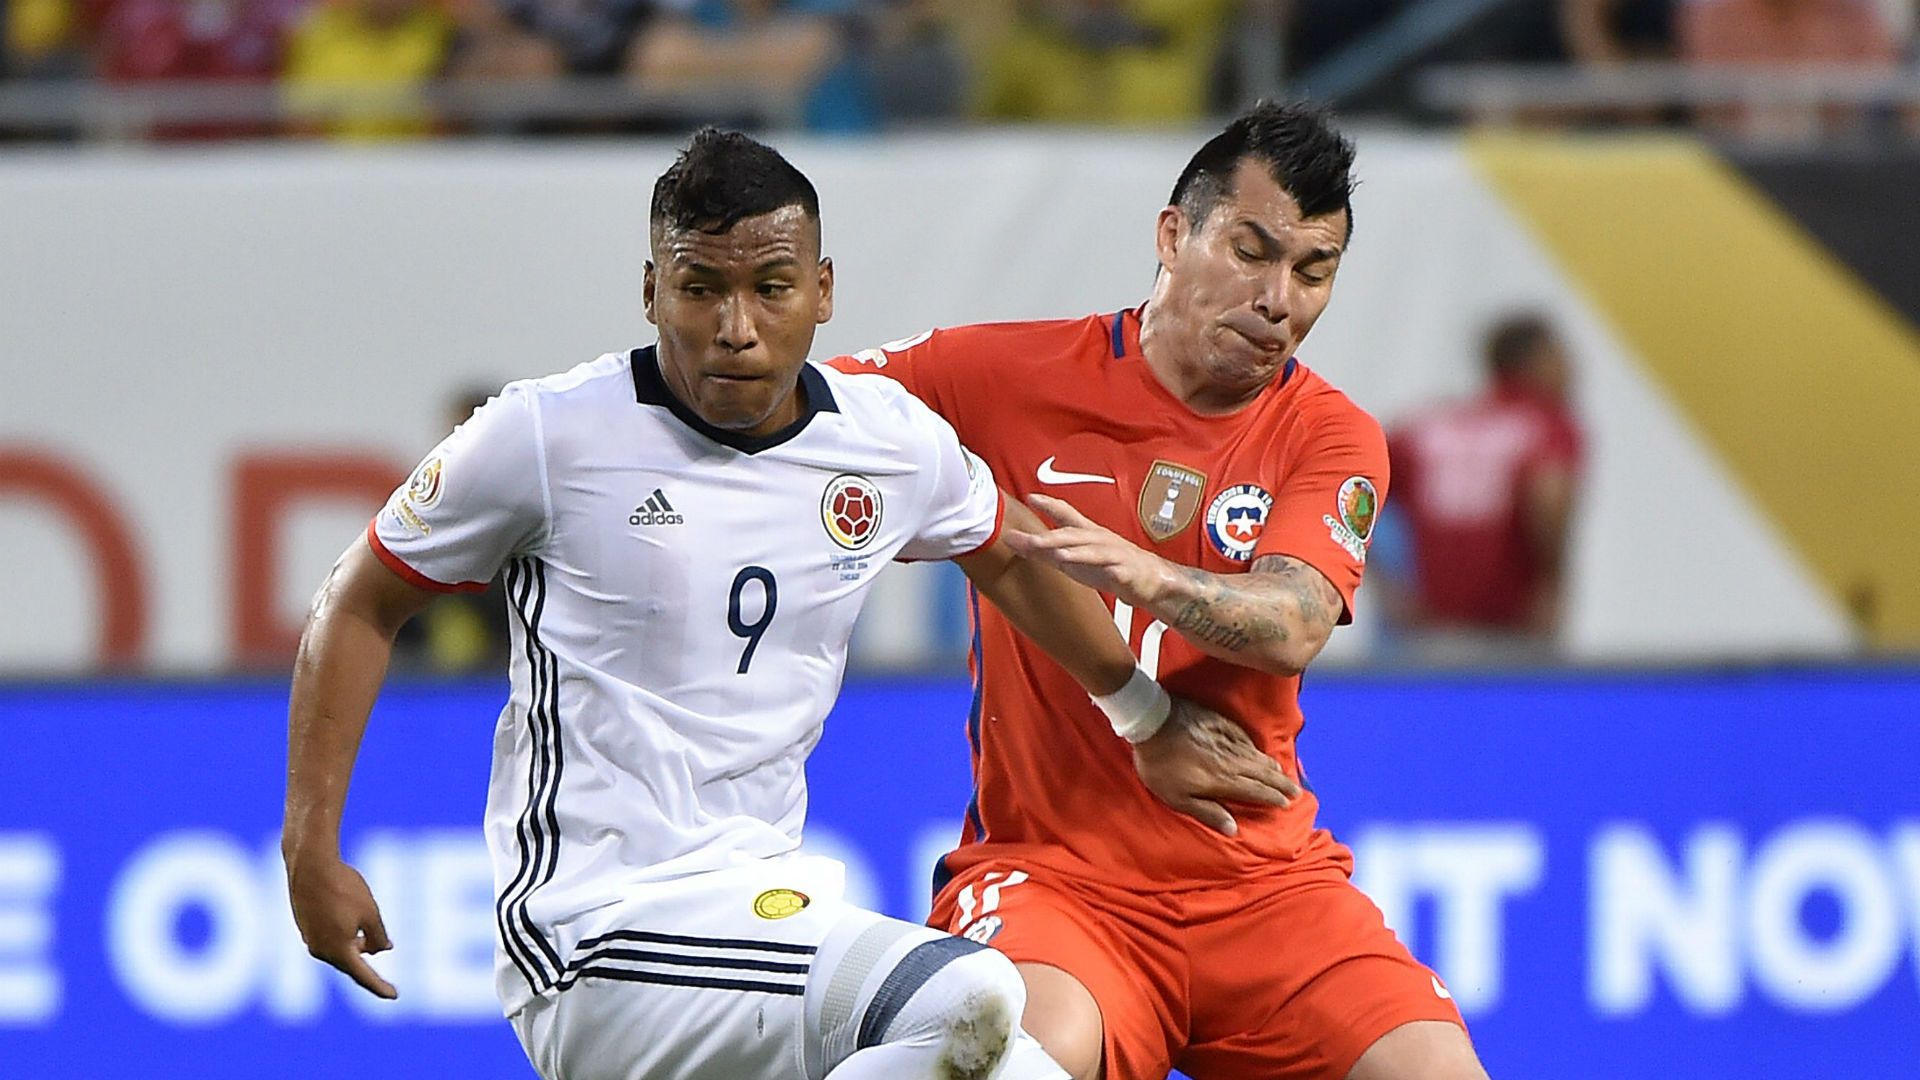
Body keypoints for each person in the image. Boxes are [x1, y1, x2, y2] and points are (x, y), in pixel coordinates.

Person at [281, 127, 1295, 1080]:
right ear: (651, 292)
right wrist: (309, 847)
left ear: (823, 291)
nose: (737, 329)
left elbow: (1010, 556)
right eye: (700, 289)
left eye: (770, 289)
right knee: (969, 997)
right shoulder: (544, 437)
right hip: (593, 931)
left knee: (1018, 1069)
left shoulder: (884, 440)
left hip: (763, 910)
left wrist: (1142, 714)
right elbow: (358, 602)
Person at [830, 103, 1488, 1080]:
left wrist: (1148, 574)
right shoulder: (996, 376)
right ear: (1173, 235)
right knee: (1015, 1058)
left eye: (1313, 272)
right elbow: (798, 419)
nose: (1278, 300)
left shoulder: (1331, 434)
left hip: (1265, 886)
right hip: (1058, 878)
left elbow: (1295, 622)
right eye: (1251, 252)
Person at [1386, 314, 1584, 658]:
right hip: (1512, 627)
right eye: (1560, 355)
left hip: (1433, 629)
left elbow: (1350, 489)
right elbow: (1549, 500)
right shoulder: (1546, 424)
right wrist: (1552, 582)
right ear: (1536, 361)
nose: (1573, 369)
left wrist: (1387, 588)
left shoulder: (1428, 427)